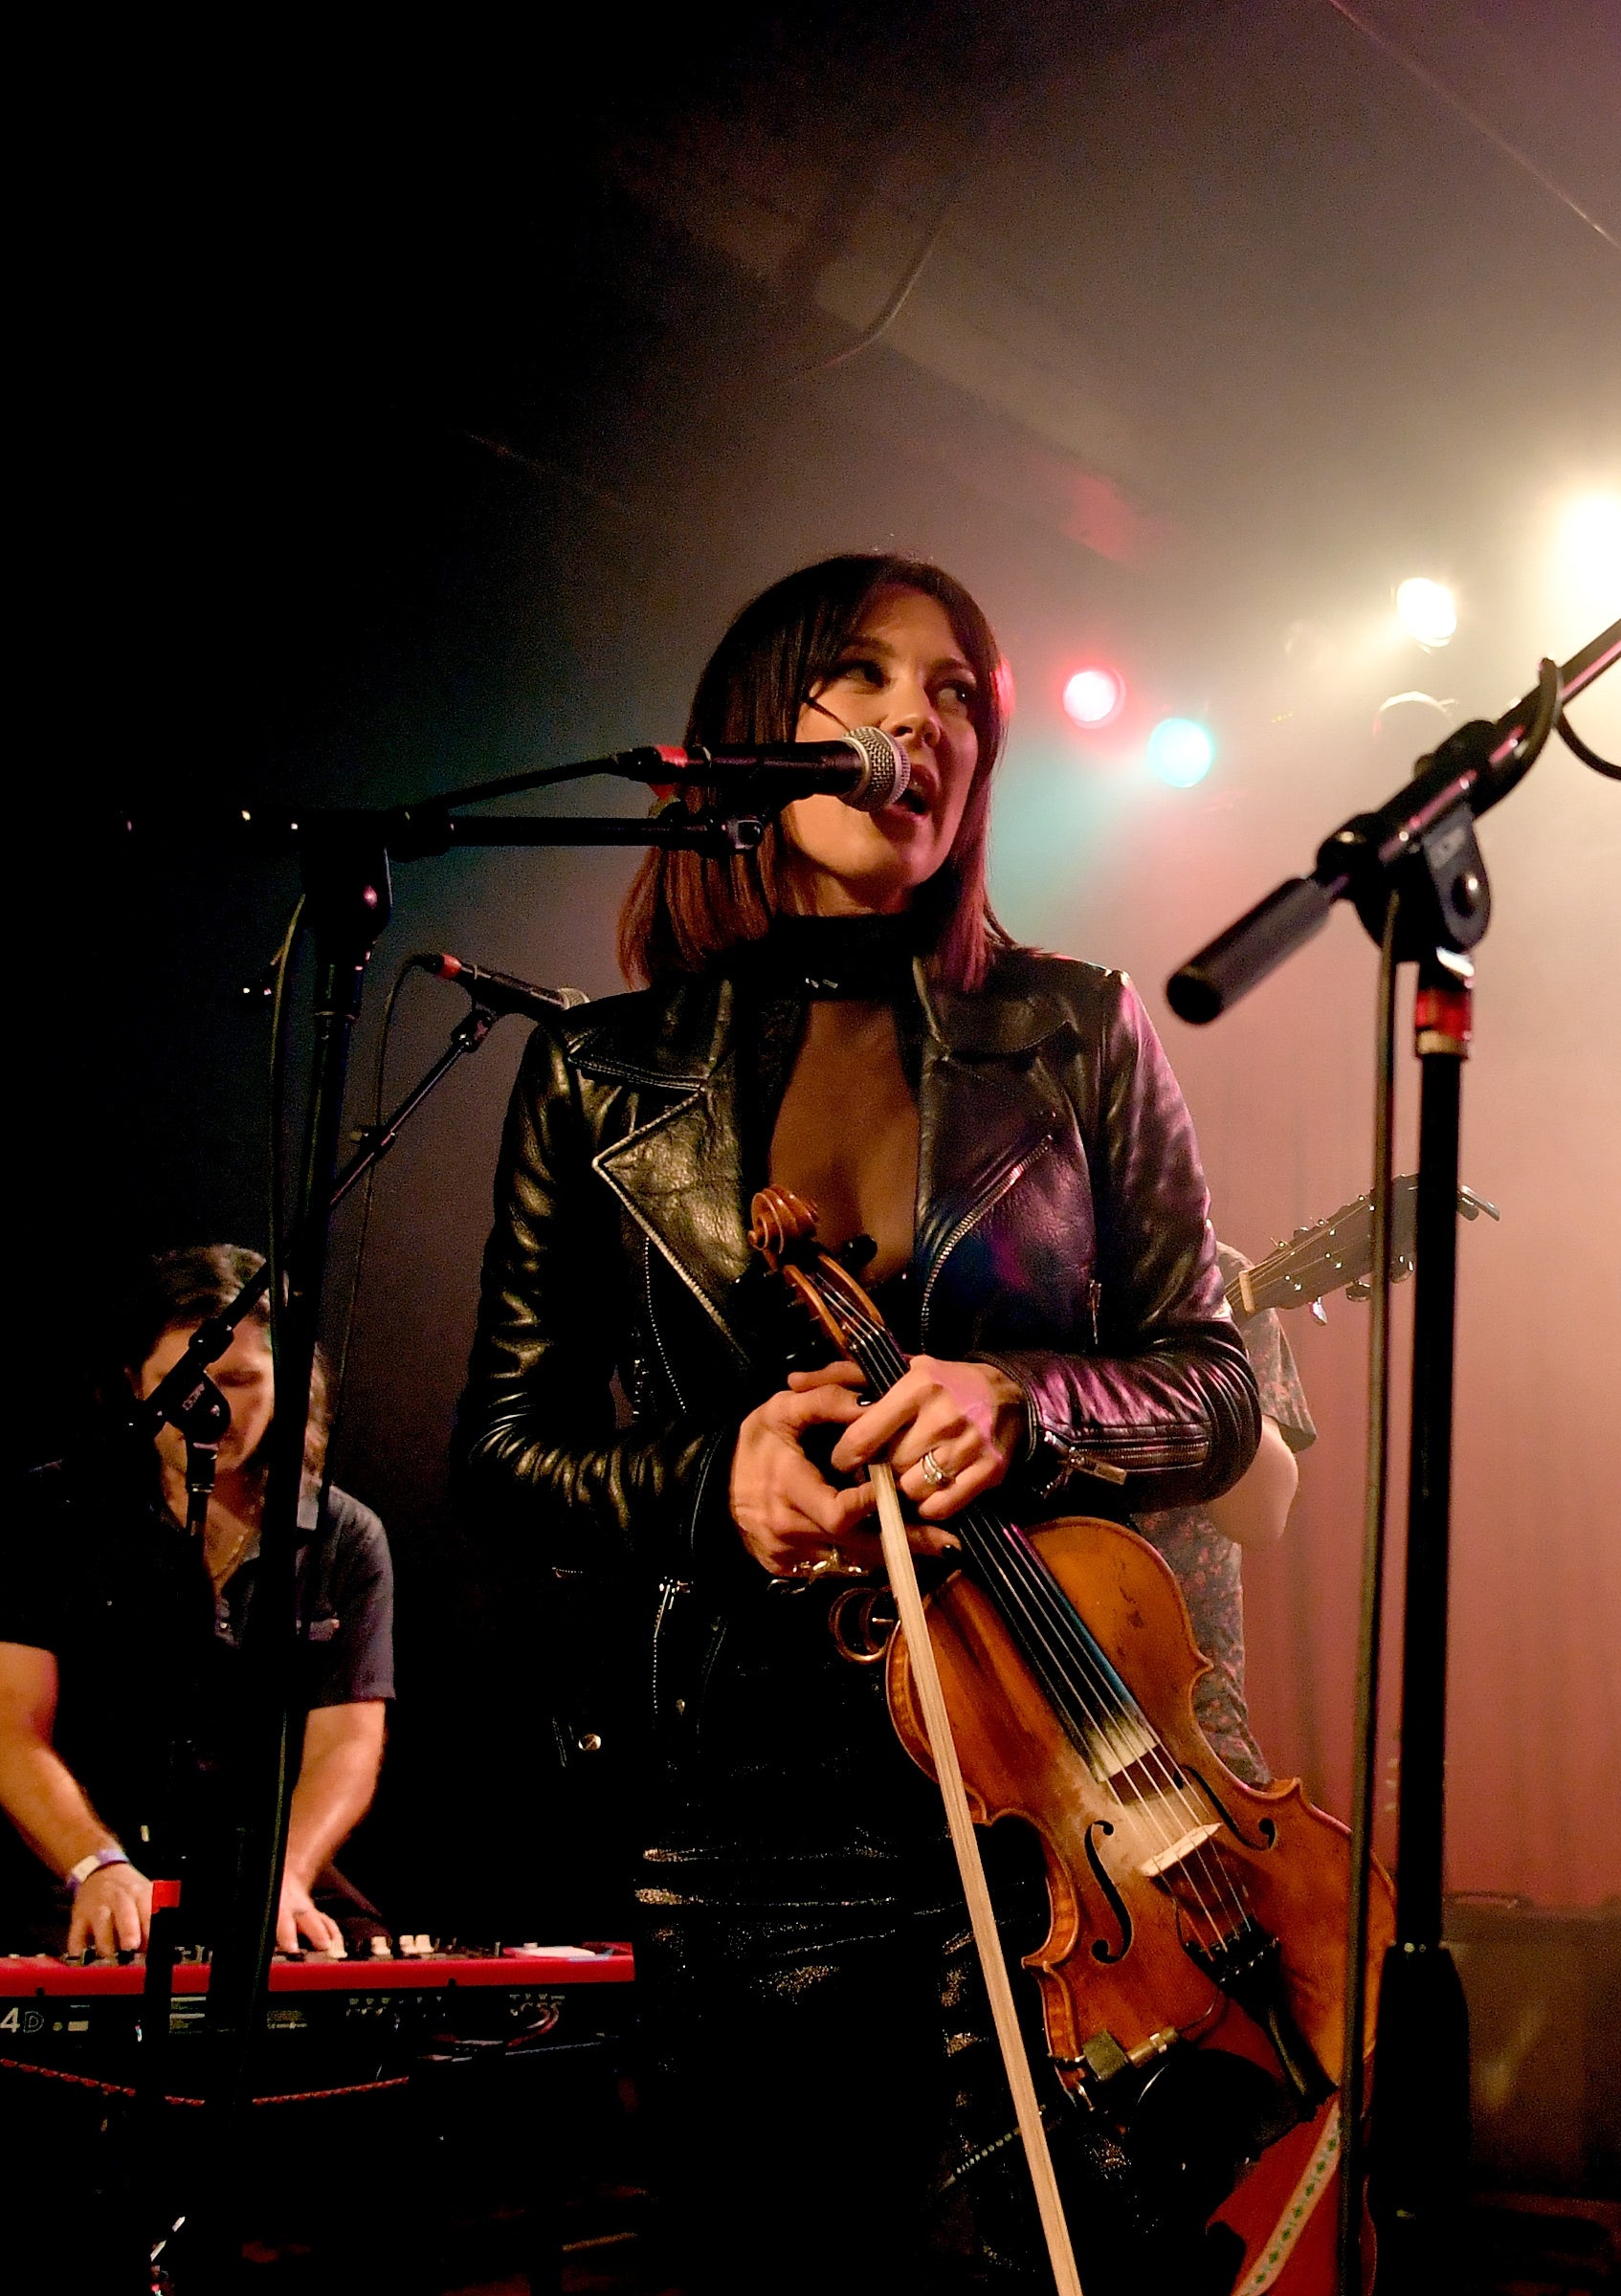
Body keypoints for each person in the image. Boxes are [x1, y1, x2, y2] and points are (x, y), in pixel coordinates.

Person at [452, 554, 1259, 2290]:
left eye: (956, 692)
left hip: (1064, 1780)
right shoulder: (596, 1069)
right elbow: (504, 1452)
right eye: (865, 678)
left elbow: (1213, 1381)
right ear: (760, 729)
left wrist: (1026, 1408)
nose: (919, 719)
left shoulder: (1078, 1026)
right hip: (752, 1817)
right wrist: (712, 1480)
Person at [0, 1245, 392, 1959]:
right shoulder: (53, 1509)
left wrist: (288, 1874)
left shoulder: (345, 1534)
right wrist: (97, 1863)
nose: (210, 1410)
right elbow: (11, 1727)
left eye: (240, 1381)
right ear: (135, 1383)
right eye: (180, 1382)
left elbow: (348, 1744)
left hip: (259, 1865)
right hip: (82, 1859)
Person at [1132, 1238, 1317, 1789]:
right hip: (1006, 1700)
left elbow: (1260, 1519)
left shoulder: (1209, 1269)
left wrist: (1209, 1366)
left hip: (1191, 1727)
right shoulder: (999, 1272)